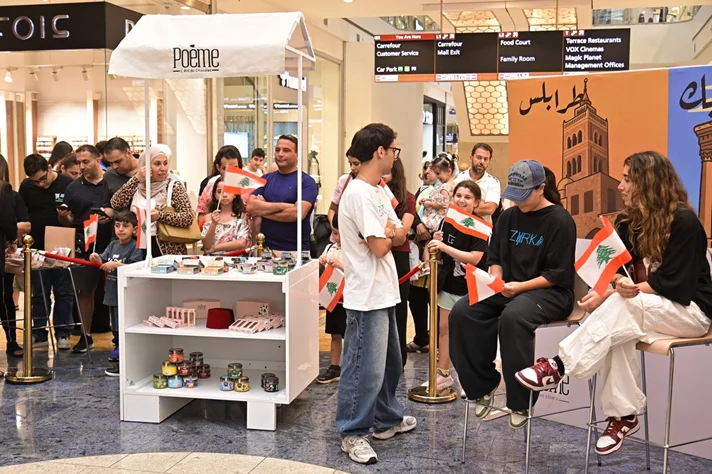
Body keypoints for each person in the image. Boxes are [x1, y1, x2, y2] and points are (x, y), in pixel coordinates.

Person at [516, 151, 712, 456]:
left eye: (627, 179)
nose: (620, 186)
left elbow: (675, 286)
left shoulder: (684, 222)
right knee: (619, 329)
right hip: (644, 310)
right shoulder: (631, 221)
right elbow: (615, 270)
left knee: (623, 307)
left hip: (691, 312)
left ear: (648, 182)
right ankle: (622, 416)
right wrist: (614, 285)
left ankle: (559, 365)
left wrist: (610, 294)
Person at [449, 160, 576, 430]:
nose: (519, 201)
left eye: (524, 195)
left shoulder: (560, 220)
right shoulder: (508, 217)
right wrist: (495, 279)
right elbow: (496, 258)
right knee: (462, 311)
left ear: (541, 188)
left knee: (513, 317)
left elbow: (556, 274)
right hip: (509, 287)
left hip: (549, 291)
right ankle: (482, 384)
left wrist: (519, 287)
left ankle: (521, 400)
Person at [336, 123, 415, 465]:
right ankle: (353, 432)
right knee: (363, 369)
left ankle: (386, 420)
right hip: (366, 294)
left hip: (384, 290)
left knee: (389, 364)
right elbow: (382, 246)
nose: (396, 156)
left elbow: (400, 233)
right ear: (380, 151)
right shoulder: (358, 193)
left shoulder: (379, 190)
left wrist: (390, 233)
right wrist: (390, 235)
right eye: (394, 149)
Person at [425, 180, 488, 390]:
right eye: (458, 196)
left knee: (467, 333)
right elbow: (432, 253)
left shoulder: (480, 227)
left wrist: (445, 247)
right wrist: (435, 242)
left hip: (470, 288)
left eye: (467, 197)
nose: (461, 200)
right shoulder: (448, 220)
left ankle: (467, 376)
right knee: (444, 329)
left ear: (476, 202)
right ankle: (444, 374)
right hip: (448, 284)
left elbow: (475, 258)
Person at [58, 145, 110, 353]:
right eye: (79, 162)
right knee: (84, 290)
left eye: (86, 162)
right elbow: (69, 220)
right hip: (85, 242)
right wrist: (63, 216)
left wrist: (110, 217)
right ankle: (85, 334)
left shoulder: (111, 182)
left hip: (113, 240)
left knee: (116, 289)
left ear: (98, 159)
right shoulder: (73, 187)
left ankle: (119, 335)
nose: (81, 166)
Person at [19, 154, 75, 349]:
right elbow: (22, 213)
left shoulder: (67, 184)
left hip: (62, 245)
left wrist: (64, 217)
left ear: (50, 168)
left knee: (63, 291)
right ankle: (39, 332)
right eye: (36, 182)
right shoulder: (27, 187)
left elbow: (73, 218)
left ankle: (63, 332)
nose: (41, 184)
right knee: (39, 292)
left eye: (43, 179)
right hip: (36, 246)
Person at [111, 146, 195, 256]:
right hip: (136, 247)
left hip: (166, 248)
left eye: (165, 163)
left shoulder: (173, 186)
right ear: (145, 166)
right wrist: (136, 179)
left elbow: (188, 218)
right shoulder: (136, 187)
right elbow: (116, 203)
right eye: (157, 164)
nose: (163, 168)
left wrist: (160, 215)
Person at [90, 210, 144, 376]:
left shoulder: (135, 247)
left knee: (124, 325)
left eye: (125, 226)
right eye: (117, 225)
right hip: (112, 293)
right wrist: (96, 258)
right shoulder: (112, 245)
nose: (121, 229)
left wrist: (114, 265)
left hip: (126, 295)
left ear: (134, 229)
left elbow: (135, 267)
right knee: (115, 327)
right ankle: (119, 349)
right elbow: (103, 260)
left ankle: (125, 358)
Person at [246, 135, 317, 252]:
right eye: (277, 150)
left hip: (295, 252)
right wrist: (285, 206)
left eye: (286, 150)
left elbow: (297, 213)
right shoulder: (265, 179)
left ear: (297, 154)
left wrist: (263, 211)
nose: (280, 154)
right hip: (266, 251)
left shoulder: (306, 182)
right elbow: (250, 206)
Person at [383, 158, 416, 366]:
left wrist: (388, 230)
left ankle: (398, 358)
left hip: (398, 256)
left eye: (386, 172)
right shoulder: (370, 194)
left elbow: (402, 233)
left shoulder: (408, 198)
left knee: (399, 307)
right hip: (377, 254)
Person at [407, 161, 438, 353]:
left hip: (438, 249)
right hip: (419, 249)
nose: (427, 173)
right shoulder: (422, 190)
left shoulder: (448, 189)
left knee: (435, 297)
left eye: (433, 170)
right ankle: (421, 337)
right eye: (426, 169)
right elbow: (413, 211)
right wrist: (418, 225)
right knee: (416, 295)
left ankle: (438, 339)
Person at [316, 213, 346, 384]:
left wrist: (340, 265)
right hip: (333, 298)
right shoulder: (330, 248)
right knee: (335, 333)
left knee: (350, 335)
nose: (337, 237)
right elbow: (323, 266)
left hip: (349, 298)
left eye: (340, 233)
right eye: (334, 233)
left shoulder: (354, 250)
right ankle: (335, 366)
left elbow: (357, 271)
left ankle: (350, 366)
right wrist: (322, 261)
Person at [0, 154, 19, 359]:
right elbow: (6, 218)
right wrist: (12, 239)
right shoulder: (3, 188)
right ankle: (11, 341)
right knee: (5, 298)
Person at [201, 178, 250, 255]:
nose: (224, 195)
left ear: (235, 194)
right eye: (219, 192)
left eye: (228, 191)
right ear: (215, 195)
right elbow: (207, 246)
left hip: (234, 258)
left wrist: (214, 248)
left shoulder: (242, 216)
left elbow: (242, 243)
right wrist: (213, 224)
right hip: (212, 259)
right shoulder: (209, 217)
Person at [454, 143, 501, 223]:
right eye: (479, 157)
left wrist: (462, 206)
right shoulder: (458, 178)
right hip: (458, 225)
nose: (482, 162)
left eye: (485, 159)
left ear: (489, 161)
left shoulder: (493, 182)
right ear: (471, 158)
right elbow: (450, 204)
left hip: (482, 228)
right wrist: (479, 204)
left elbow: (489, 209)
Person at [102, 137, 138, 226]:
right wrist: (105, 214)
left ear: (128, 153)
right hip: (120, 231)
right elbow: (108, 205)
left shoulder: (149, 171)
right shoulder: (109, 176)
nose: (114, 166)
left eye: (118, 161)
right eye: (110, 163)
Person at [197, 145, 242, 211]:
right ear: (218, 167)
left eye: (234, 168)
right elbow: (201, 211)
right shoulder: (210, 184)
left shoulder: (246, 184)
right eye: (225, 168)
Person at [421, 156, 456, 234]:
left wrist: (429, 204)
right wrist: (429, 200)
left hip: (438, 218)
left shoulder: (445, 187)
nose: (437, 176)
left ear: (449, 171)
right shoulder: (453, 184)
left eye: (438, 173)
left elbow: (442, 204)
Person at [327, 149, 360, 228]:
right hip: (342, 231)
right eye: (350, 164)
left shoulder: (376, 183)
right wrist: (335, 228)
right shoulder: (344, 180)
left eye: (356, 164)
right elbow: (332, 209)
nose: (352, 168)